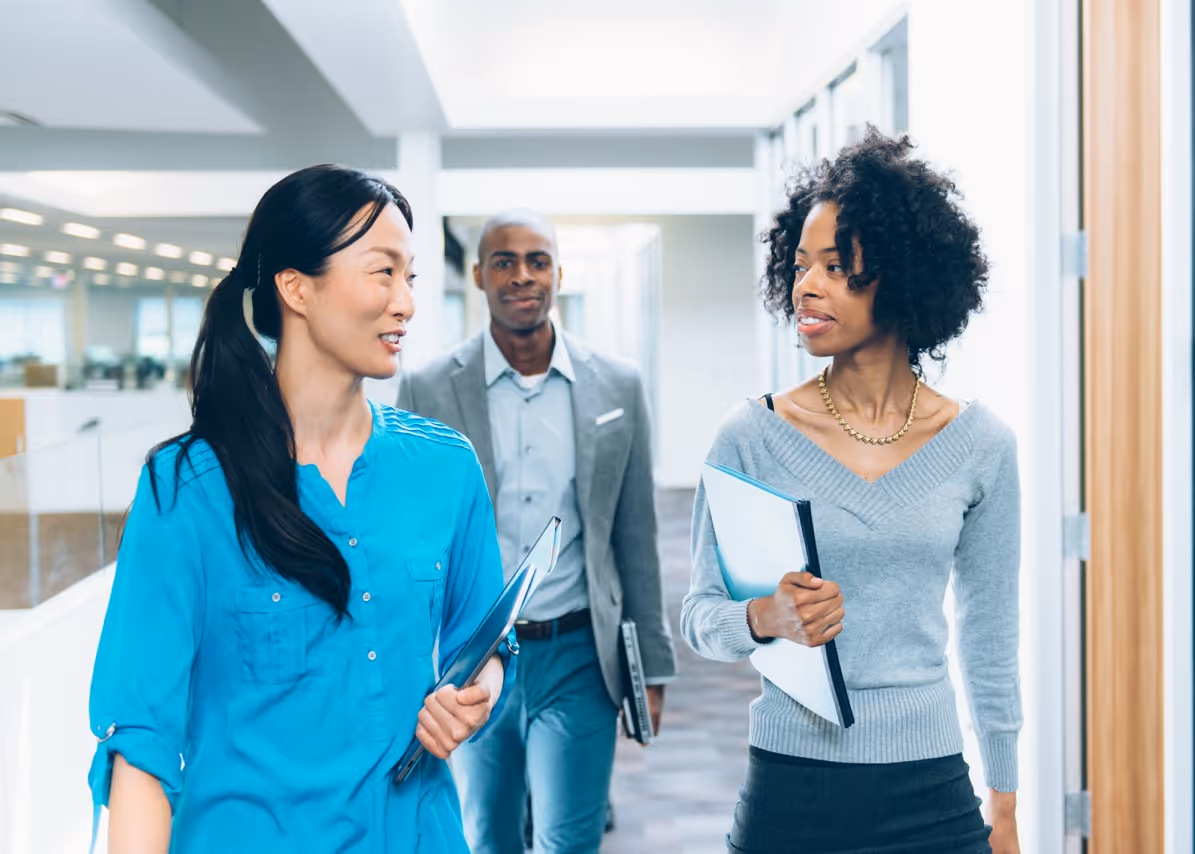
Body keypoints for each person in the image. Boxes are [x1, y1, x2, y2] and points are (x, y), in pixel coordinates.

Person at [87, 165, 515, 854]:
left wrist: (476, 695)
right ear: (296, 288)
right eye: (383, 273)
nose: (405, 303)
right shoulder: (187, 489)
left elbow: (487, 640)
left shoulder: (445, 467)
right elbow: (140, 742)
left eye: (411, 277)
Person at [682, 129, 1022, 854]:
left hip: (932, 789)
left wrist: (1006, 803)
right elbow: (699, 617)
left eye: (837, 268)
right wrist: (766, 616)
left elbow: (990, 641)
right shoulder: (751, 435)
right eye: (801, 265)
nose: (807, 286)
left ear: (902, 277)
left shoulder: (981, 447)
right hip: (791, 788)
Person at [397, 210, 677, 854]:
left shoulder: (619, 385)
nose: (522, 276)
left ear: (557, 272)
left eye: (537, 261)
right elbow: (410, 542)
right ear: (478, 275)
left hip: (579, 651)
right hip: (470, 659)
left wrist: (652, 669)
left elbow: (635, 535)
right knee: (485, 835)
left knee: (568, 839)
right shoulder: (427, 388)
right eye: (504, 262)